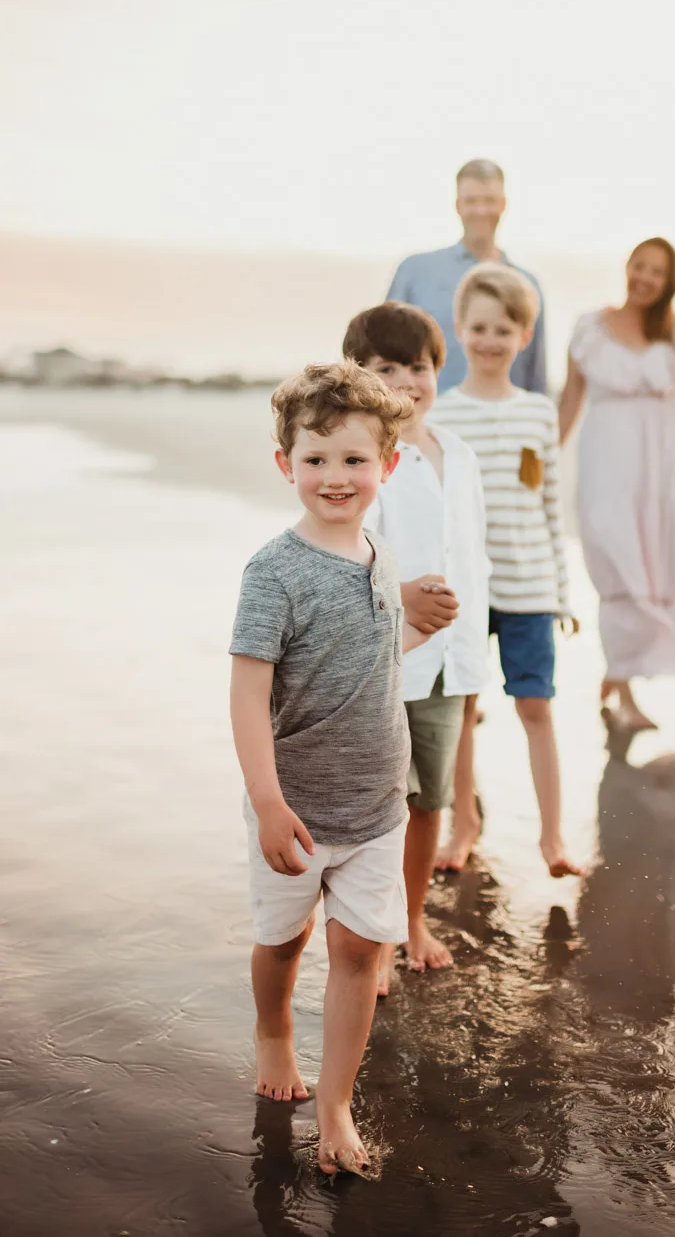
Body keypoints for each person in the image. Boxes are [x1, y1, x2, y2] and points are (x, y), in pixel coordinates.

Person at [228, 360, 433, 1176]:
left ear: (385, 465)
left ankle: (339, 1102)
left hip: (378, 805)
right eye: (315, 459)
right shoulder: (272, 572)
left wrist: (414, 624)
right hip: (297, 804)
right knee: (285, 939)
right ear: (286, 466)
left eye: (353, 460)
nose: (334, 477)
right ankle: (273, 1031)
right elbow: (248, 697)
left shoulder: (379, 555)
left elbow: (371, 663)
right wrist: (267, 802)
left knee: (358, 953)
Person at [343, 300, 490, 993]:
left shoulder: (457, 454)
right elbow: (347, 553)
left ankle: (411, 919)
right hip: (386, 659)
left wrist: (474, 659)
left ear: (439, 371)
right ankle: (369, 941)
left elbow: (472, 556)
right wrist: (400, 594)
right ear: (357, 375)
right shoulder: (365, 457)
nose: (406, 379)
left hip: (450, 662)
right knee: (383, 806)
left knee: (429, 799)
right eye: (386, 368)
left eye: (420, 366)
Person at [431, 263, 581, 879]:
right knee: (462, 710)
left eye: (505, 328)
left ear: (524, 336)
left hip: (530, 590)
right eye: (479, 327)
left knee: (536, 708)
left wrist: (563, 593)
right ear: (460, 330)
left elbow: (547, 506)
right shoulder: (438, 415)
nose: (491, 339)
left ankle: (553, 838)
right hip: (465, 593)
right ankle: (462, 825)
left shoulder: (538, 415)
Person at [557, 237, 675, 736]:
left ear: (669, 283)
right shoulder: (590, 327)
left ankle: (620, 674)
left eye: (657, 273)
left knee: (656, 561)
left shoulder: (668, 331)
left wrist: (673, 320)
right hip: (608, 462)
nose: (645, 278)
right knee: (617, 559)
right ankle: (623, 685)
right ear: (626, 266)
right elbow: (571, 399)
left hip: (664, 468)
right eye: (639, 266)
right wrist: (543, 456)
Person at [386, 159, 548, 394]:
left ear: (503, 204)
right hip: (426, 421)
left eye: (489, 200)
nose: (481, 210)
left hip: (505, 425)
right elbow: (381, 357)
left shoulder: (528, 285)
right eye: (471, 201)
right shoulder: (414, 272)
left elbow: (536, 377)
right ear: (458, 205)